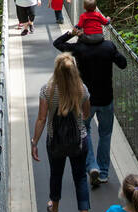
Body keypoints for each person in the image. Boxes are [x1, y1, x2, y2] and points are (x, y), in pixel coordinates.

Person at [53, 26, 127, 190]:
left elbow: (57, 43)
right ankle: (103, 173)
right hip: (106, 100)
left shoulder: (79, 48)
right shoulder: (108, 46)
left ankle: (92, 165)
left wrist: (71, 33)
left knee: (84, 132)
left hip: (86, 99)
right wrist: (113, 51)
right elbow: (123, 64)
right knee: (105, 134)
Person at [31, 54, 92, 212]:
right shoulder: (82, 89)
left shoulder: (47, 90)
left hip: (54, 141)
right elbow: (87, 113)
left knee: (56, 174)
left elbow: (42, 118)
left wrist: (35, 142)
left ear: (56, 70)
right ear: (74, 70)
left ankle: (55, 209)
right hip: (78, 141)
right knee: (80, 177)